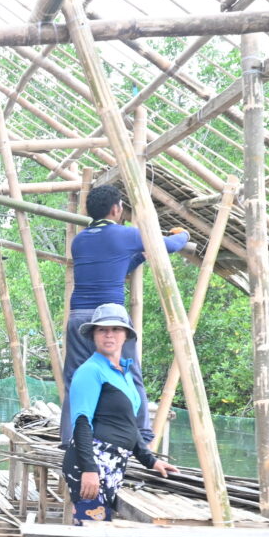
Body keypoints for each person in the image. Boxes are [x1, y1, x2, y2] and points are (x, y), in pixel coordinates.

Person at [63, 302, 176, 537]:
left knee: (90, 529)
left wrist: (152, 461)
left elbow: (129, 428)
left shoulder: (123, 373)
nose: (109, 334)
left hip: (111, 465)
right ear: (94, 335)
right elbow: (81, 421)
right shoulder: (90, 371)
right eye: (102, 329)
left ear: (126, 335)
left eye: (115, 329)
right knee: (91, 531)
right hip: (92, 463)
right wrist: (89, 468)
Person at [63, 184, 188, 441]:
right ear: (116, 209)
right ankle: (142, 433)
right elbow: (171, 246)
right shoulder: (124, 234)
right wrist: (183, 234)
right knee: (128, 370)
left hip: (78, 316)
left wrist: (139, 257)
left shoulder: (79, 241)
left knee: (75, 378)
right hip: (109, 318)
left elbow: (116, 267)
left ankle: (70, 438)